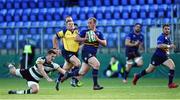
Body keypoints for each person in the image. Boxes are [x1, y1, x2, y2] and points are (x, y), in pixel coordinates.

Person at [132, 24, 179, 88]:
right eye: (165, 29)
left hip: (164, 57)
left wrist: (173, 46)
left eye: (168, 29)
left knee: (172, 66)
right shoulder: (161, 37)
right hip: (157, 57)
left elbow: (169, 45)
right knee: (149, 70)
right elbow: (159, 45)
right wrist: (169, 46)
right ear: (163, 30)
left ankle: (170, 84)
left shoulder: (168, 38)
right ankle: (137, 76)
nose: (167, 30)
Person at [7, 49, 73, 94]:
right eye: (52, 56)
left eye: (54, 57)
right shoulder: (41, 59)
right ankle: (10, 65)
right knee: (12, 71)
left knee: (35, 90)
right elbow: (41, 70)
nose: (53, 58)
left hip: (34, 80)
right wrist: (47, 78)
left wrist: (72, 76)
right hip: (27, 73)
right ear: (48, 55)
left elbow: (64, 72)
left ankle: (16, 92)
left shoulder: (54, 65)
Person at [74, 17, 107, 90]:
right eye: (88, 23)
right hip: (86, 52)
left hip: (93, 54)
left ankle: (71, 78)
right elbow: (76, 39)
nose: (88, 24)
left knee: (82, 72)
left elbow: (105, 43)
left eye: (90, 23)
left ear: (95, 24)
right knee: (96, 64)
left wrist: (97, 39)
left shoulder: (99, 33)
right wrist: (84, 39)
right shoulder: (84, 31)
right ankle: (95, 85)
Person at [52, 18, 81, 91]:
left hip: (75, 53)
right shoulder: (64, 31)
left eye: (72, 24)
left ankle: (58, 81)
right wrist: (56, 48)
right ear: (66, 26)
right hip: (67, 52)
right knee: (78, 64)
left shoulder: (77, 32)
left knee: (65, 69)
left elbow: (80, 41)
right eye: (69, 24)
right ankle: (73, 79)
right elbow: (54, 37)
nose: (71, 25)